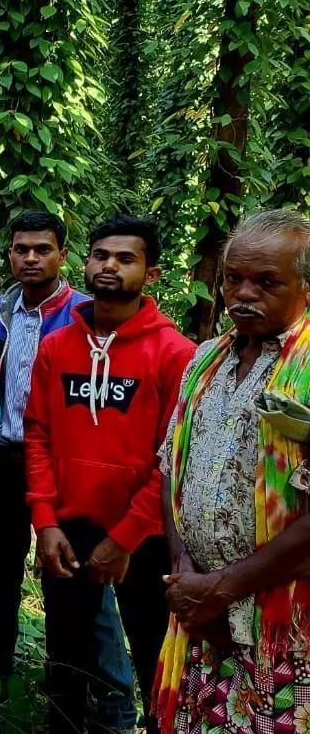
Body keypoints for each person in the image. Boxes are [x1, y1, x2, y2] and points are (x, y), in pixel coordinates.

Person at [25, 214, 195, 734]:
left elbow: (174, 457)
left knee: (153, 653)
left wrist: (124, 538)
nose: (110, 266)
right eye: (101, 255)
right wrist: (44, 521)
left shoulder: (176, 354)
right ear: (85, 261)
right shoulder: (57, 347)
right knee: (65, 656)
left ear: (152, 273)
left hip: (143, 535)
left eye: (126, 258)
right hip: (68, 527)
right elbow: (38, 435)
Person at [154, 210, 310, 734]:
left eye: (267, 282)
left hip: (284, 624)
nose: (243, 294)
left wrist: (222, 587)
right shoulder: (206, 360)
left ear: (305, 286)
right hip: (203, 615)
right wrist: (185, 572)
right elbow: (172, 467)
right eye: (233, 279)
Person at [0, 211, 137, 725]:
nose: (31, 258)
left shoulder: (82, 316)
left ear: (62, 255)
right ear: (9, 254)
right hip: (4, 458)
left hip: (61, 463)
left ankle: (103, 699)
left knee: (77, 579)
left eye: (42, 249)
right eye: (21, 249)